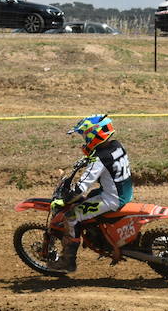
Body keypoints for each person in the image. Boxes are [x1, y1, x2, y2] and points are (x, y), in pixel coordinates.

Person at [54, 115, 133, 272]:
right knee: (89, 199)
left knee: (71, 217)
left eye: (85, 135)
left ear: (94, 134)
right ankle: (100, 237)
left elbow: (83, 186)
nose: (84, 139)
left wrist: (67, 198)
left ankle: (68, 262)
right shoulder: (117, 145)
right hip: (124, 191)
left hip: (112, 199)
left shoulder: (99, 159)